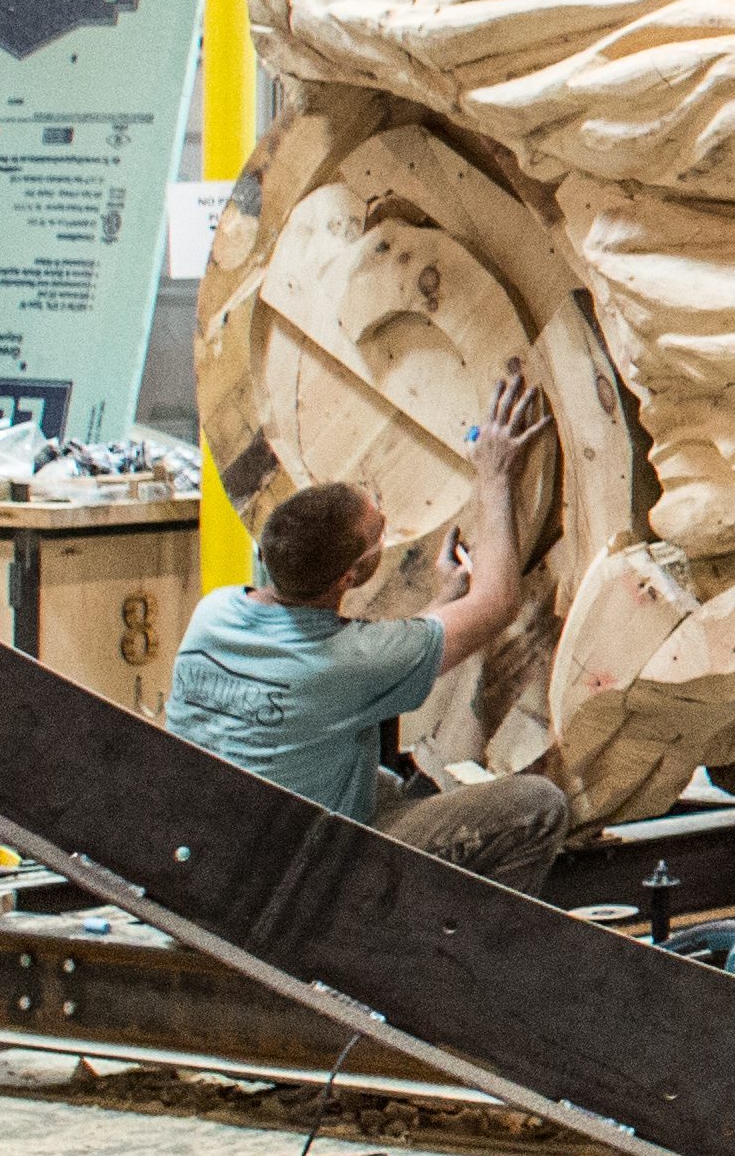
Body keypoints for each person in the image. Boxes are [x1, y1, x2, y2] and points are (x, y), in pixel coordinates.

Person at [163, 363, 571, 892]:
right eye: (380, 532)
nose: (385, 525)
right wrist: (493, 474)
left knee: (379, 783)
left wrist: (442, 600)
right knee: (537, 806)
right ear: (350, 576)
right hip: (286, 880)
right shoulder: (347, 663)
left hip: (205, 850)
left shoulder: (214, 612)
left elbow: (359, 657)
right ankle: (447, 955)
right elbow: (497, 603)